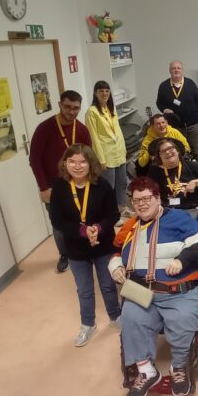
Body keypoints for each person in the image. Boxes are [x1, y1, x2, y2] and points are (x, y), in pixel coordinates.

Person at [109, 177, 198, 396]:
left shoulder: (179, 220)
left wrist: (183, 260)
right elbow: (115, 250)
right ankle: (147, 371)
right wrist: (115, 265)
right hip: (141, 289)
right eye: (137, 200)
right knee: (130, 316)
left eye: (147, 198)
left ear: (158, 199)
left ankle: (179, 367)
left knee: (182, 319)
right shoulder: (131, 226)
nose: (142, 204)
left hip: (180, 291)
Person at [49, 144, 120, 347]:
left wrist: (98, 227)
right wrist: (81, 231)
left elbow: (113, 214)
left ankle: (115, 317)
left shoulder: (102, 185)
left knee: (108, 285)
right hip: (76, 248)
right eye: (72, 161)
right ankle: (88, 324)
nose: (77, 166)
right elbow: (57, 220)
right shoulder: (60, 188)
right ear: (65, 164)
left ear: (91, 164)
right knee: (85, 290)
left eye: (82, 161)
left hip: (103, 245)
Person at [29, 89, 92, 273]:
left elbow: (90, 158)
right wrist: (43, 187)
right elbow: (34, 160)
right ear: (59, 105)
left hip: (79, 183)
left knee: (83, 218)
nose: (71, 112)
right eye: (67, 107)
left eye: (76, 108)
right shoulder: (45, 128)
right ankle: (64, 254)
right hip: (53, 187)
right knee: (59, 225)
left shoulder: (81, 130)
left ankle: (83, 250)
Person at [85, 80, 128, 214]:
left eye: (107, 91)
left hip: (119, 152)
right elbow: (93, 137)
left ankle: (122, 208)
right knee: (108, 186)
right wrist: (100, 158)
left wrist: (124, 149)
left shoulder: (111, 108)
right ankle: (110, 214)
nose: (104, 93)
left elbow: (118, 131)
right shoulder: (92, 112)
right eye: (101, 91)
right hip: (106, 155)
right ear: (95, 93)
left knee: (122, 183)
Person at [148, 137, 198, 214]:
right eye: (163, 151)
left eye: (170, 148)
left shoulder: (191, 165)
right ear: (159, 156)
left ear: (177, 151)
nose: (168, 152)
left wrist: (196, 182)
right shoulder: (155, 171)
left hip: (192, 206)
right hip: (167, 209)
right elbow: (149, 190)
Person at [156, 60, 198, 159]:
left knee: (196, 149)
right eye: (174, 68)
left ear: (182, 70)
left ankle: (197, 169)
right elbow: (159, 103)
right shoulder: (163, 86)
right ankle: (181, 170)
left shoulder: (190, 83)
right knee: (178, 149)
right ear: (170, 70)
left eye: (179, 68)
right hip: (174, 125)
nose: (176, 70)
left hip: (192, 124)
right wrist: (164, 109)